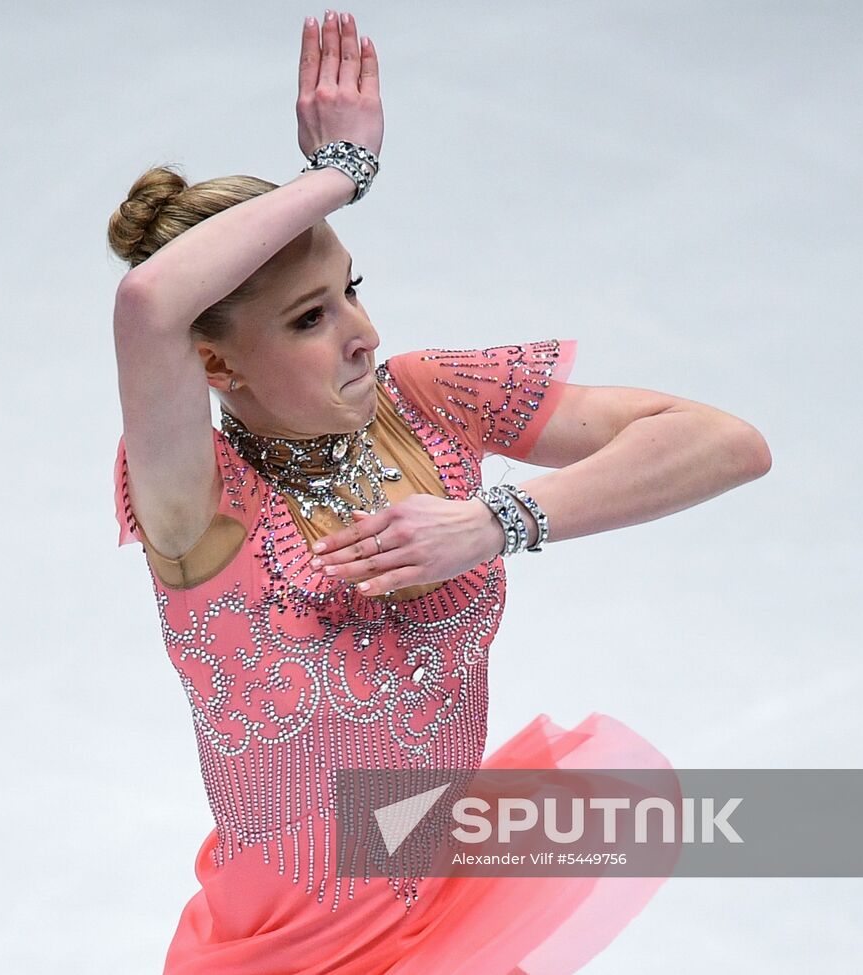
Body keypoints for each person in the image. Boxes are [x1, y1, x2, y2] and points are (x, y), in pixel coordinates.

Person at [106, 10, 771, 975]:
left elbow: (726, 443)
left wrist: (498, 521)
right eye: (307, 319)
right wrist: (340, 174)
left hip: (455, 896)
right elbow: (146, 304)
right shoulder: (199, 504)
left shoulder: (427, 402)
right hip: (298, 955)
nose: (361, 333)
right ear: (214, 361)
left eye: (352, 290)